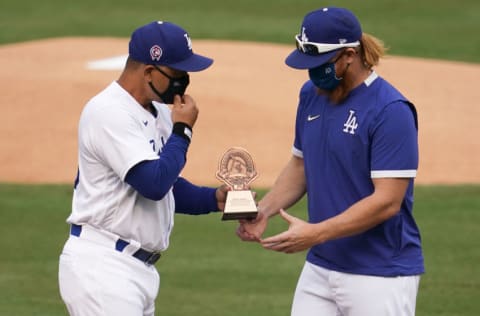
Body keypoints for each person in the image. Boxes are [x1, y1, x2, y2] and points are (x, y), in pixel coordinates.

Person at [237, 7, 424, 316]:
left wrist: (316, 233)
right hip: (321, 266)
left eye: (319, 63)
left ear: (349, 55)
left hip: (379, 273)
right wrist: (265, 209)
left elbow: (388, 201)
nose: (311, 72)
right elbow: (300, 166)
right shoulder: (312, 94)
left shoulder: (390, 111)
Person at [58, 21, 228, 316]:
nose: (184, 82)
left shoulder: (159, 111)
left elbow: (168, 185)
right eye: (177, 74)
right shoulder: (109, 112)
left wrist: (212, 199)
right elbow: (153, 183)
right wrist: (183, 131)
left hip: (136, 271)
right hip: (103, 267)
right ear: (149, 71)